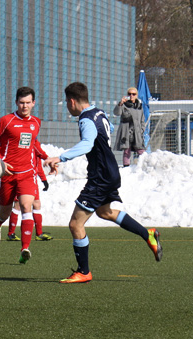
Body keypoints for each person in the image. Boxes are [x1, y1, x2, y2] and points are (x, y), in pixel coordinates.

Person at [44, 82, 162, 284]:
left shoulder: (85, 119)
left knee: (75, 224)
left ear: (72, 101)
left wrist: (61, 157)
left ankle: (84, 271)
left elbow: (87, 143)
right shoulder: (99, 113)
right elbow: (107, 131)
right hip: (110, 172)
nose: (67, 106)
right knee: (105, 212)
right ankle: (147, 233)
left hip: (100, 177)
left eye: (67, 102)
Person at [0, 86, 49, 265]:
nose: (25, 106)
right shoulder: (6, 120)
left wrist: (46, 157)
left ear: (33, 103)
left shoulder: (36, 122)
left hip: (27, 173)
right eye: (21, 103)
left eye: (28, 103)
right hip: (6, 174)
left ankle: (24, 249)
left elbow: (33, 143)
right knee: (5, 212)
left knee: (26, 206)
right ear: (16, 102)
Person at [8, 144, 53, 241]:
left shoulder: (35, 146)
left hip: (32, 181)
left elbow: (38, 166)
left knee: (37, 204)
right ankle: (11, 233)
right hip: (21, 179)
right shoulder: (21, 147)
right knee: (18, 205)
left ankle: (39, 233)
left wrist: (44, 180)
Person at [113, 87, 146, 166]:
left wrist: (141, 130)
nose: (131, 96)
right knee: (127, 151)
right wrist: (120, 103)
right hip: (127, 132)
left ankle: (144, 165)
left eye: (133, 94)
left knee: (141, 151)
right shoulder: (124, 105)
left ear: (136, 95)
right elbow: (116, 113)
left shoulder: (139, 107)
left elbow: (142, 120)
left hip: (137, 133)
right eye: (129, 94)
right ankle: (126, 167)